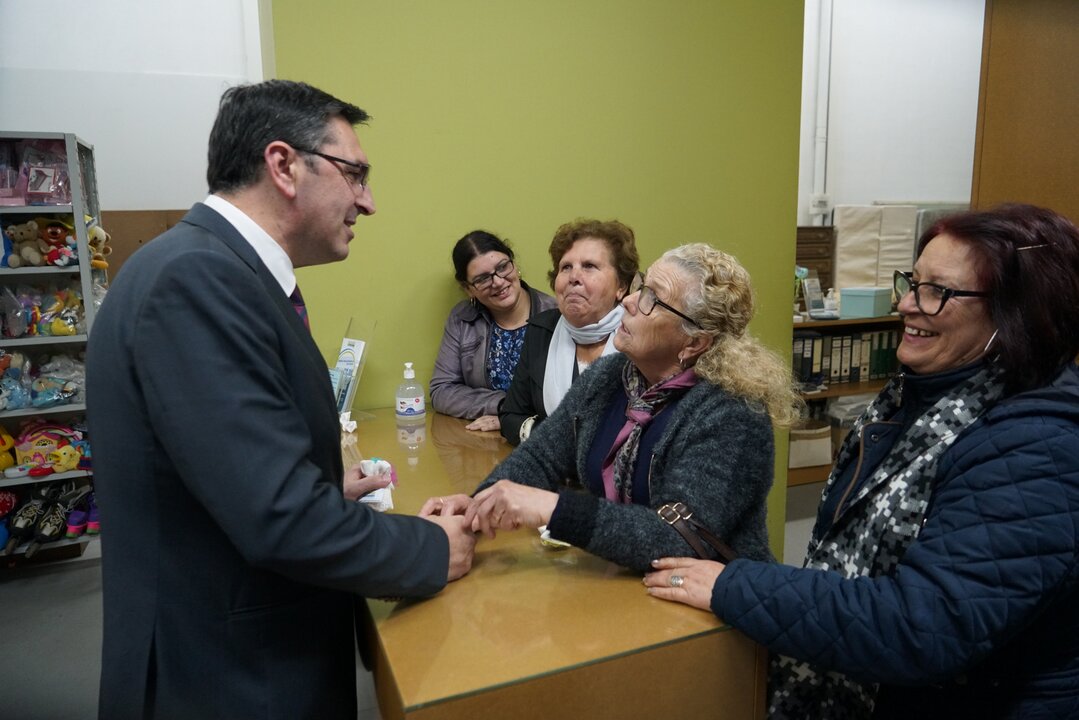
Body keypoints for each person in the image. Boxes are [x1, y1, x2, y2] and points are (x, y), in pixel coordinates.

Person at [85, 80, 476, 720]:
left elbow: (221, 469)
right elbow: (280, 519)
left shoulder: (210, 268)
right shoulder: (198, 279)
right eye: (356, 174)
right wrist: (431, 548)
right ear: (284, 165)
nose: (368, 202)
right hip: (227, 677)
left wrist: (322, 482)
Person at [644, 205, 1079, 719]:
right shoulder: (910, 402)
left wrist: (733, 586)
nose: (907, 304)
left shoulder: (1037, 446)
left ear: (1017, 313)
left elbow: (922, 626)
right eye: (911, 282)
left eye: (937, 291)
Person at [427, 244, 801, 572]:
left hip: (715, 608)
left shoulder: (732, 412)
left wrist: (554, 509)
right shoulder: (611, 376)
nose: (628, 302)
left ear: (694, 343)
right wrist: (478, 505)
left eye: (652, 299)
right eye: (642, 287)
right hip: (627, 584)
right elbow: (541, 457)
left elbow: (679, 539)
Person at [499, 218, 639, 445]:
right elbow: (511, 417)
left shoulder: (641, 335)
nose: (574, 277)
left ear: (621, 286)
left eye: (589, 266)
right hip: (549, 464)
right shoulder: (541, 330)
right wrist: (553, 442)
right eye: (566, 267)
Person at [429, 230, 557, 432]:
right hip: (482, 440)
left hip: (542, 436)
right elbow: (441, 391)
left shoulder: (555, 314)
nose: (498, 282)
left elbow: (570, 394)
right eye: (482, 279)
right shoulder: (462, 319)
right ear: (468, 288)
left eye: (502, 267)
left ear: (514, 264)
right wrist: (501, 406)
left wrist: (514, 419)